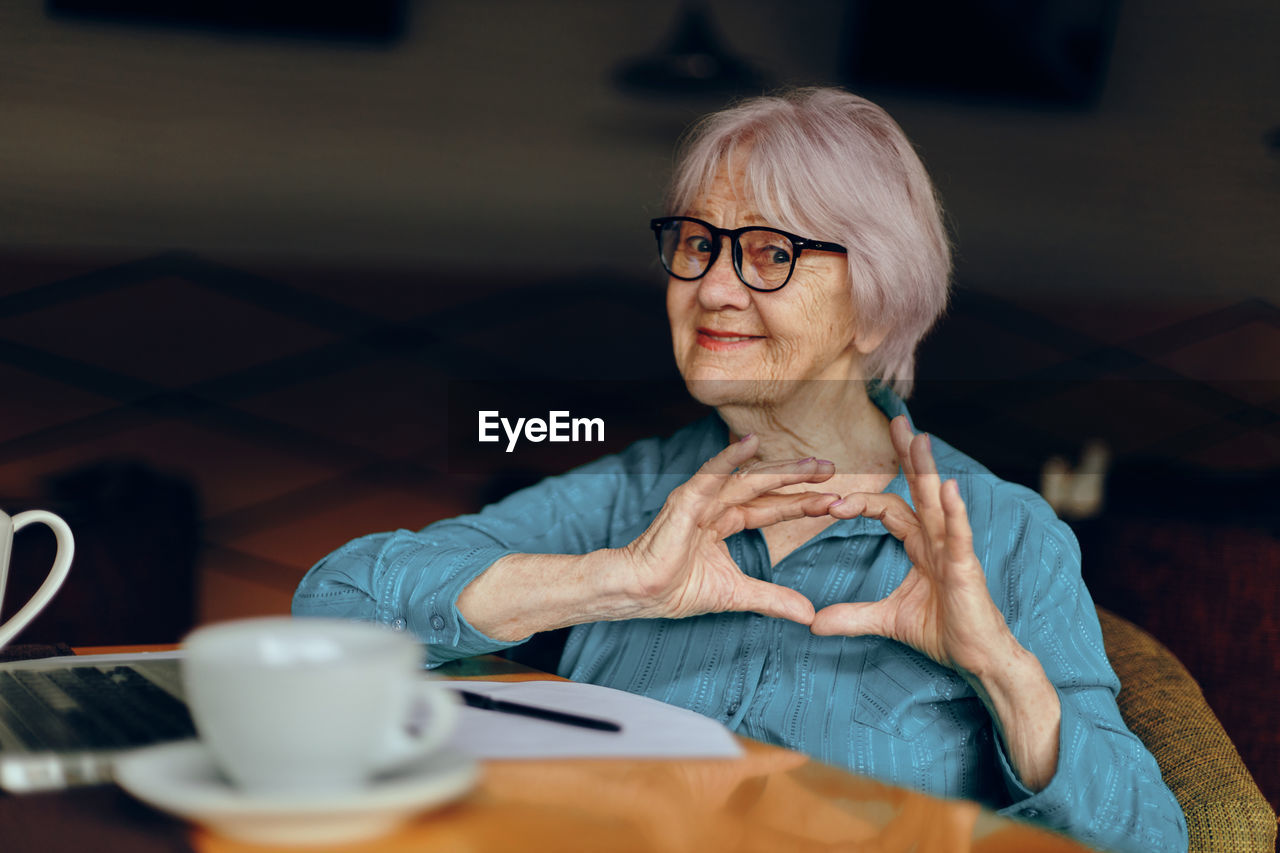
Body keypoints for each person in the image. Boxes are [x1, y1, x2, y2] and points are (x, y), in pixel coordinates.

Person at [294, 88, 1187, 853]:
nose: (714, 286)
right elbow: (336, 605)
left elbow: (1154, 838)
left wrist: (999, 669)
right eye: (696, 243)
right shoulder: (634, 494)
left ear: (874, 306)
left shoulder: (1003, 531)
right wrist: (615, 581)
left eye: (770, 253)